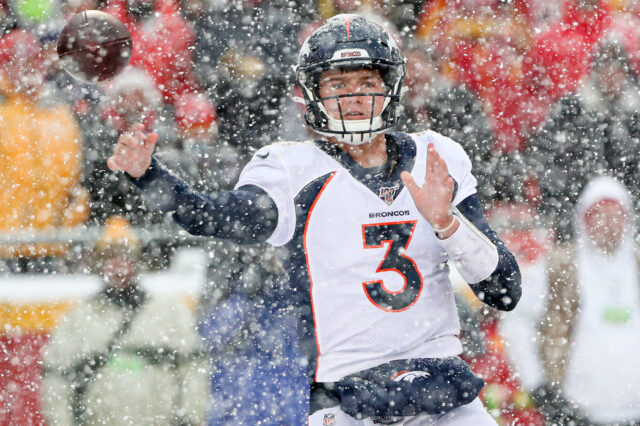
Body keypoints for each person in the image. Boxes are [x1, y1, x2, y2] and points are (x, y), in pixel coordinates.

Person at [107, 15, 521, 425]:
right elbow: (213, 216)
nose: (353, 98)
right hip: (346, 393)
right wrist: (150, 175)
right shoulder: (293, 169)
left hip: (440, 386)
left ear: (390, 86)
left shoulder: (436, 156)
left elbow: (504, 290)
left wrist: (447, 224)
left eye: (367, 83)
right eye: (338, 84)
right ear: (311, 93)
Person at [40, 216, 212, 425]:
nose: (118, 265)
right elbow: (56, 378)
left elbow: (193, 369)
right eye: (110, 257)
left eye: (125, 256)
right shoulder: (79, 317)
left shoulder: (169, 311)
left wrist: (191, 418)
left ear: (137, 262)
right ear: (99, 265)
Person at [535, 176, 640, 425]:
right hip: (579, 409)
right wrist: (539, 385)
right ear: (584, 219)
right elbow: (519, 319)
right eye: (599, 215)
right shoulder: (559, 264)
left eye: (615, 215)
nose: (608, 224)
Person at [0, 29, 88, 273]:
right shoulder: (4, 112)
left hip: (53, 247)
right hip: (5, 246)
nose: (25, 70)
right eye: (15, 62)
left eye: (31, 61)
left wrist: (71, 223)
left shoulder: (60, 114)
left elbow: (75, 178)